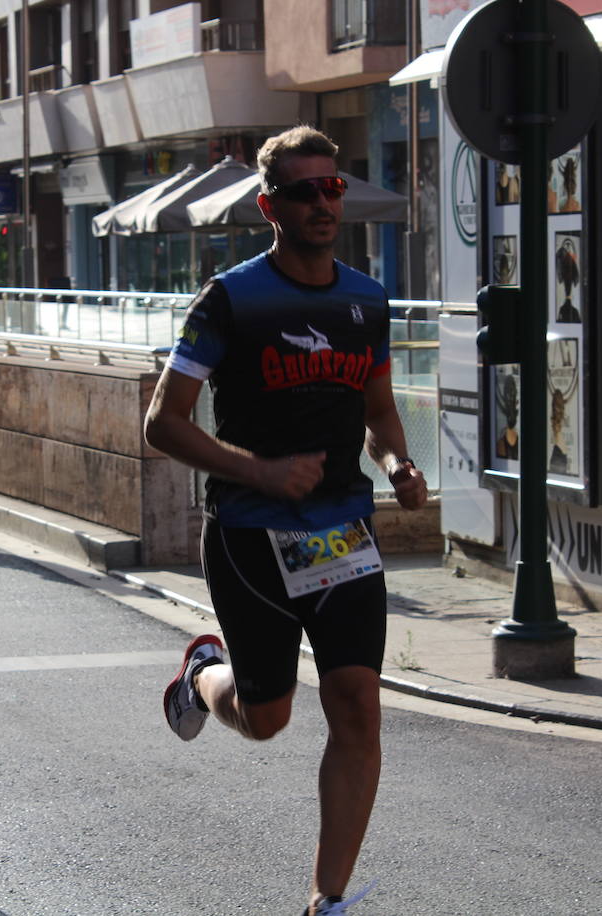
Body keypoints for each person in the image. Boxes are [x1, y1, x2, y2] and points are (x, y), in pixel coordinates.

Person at [144, 126, 428, 916]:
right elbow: (163, 423)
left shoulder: (367, 301)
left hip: (343, 533)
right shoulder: (232, 299)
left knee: (358, 709)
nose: (323, 202)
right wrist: (258, 470)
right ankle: (203, 678)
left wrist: (398, 463)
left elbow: (377, 410)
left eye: (332, 187)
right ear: (271, 206)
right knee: (267, 720)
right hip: (250, 536)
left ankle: (326, 899)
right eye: (305, 191)